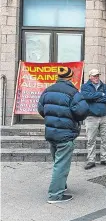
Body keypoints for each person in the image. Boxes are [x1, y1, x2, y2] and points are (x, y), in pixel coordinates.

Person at [38, 67, 89, 203]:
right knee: (61, 164)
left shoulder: (47, 91)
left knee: (58, 161)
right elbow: (82, 111)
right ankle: (55, 195)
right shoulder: (73, 93)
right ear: (70, 78)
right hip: (65, 134)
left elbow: (41, 109)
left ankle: (60, 185)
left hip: (51, 133)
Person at [81, 69, 106, 170]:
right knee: (91, 139)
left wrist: (93, 98)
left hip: (104, 116)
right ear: (90, 76)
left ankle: (104, 158)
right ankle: (91, 160)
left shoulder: (104, 86)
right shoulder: (85, 86)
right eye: (94, 76)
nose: (96, 78)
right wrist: (99, 94)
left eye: (97, 76)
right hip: (91, 117)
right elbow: (86, 96)